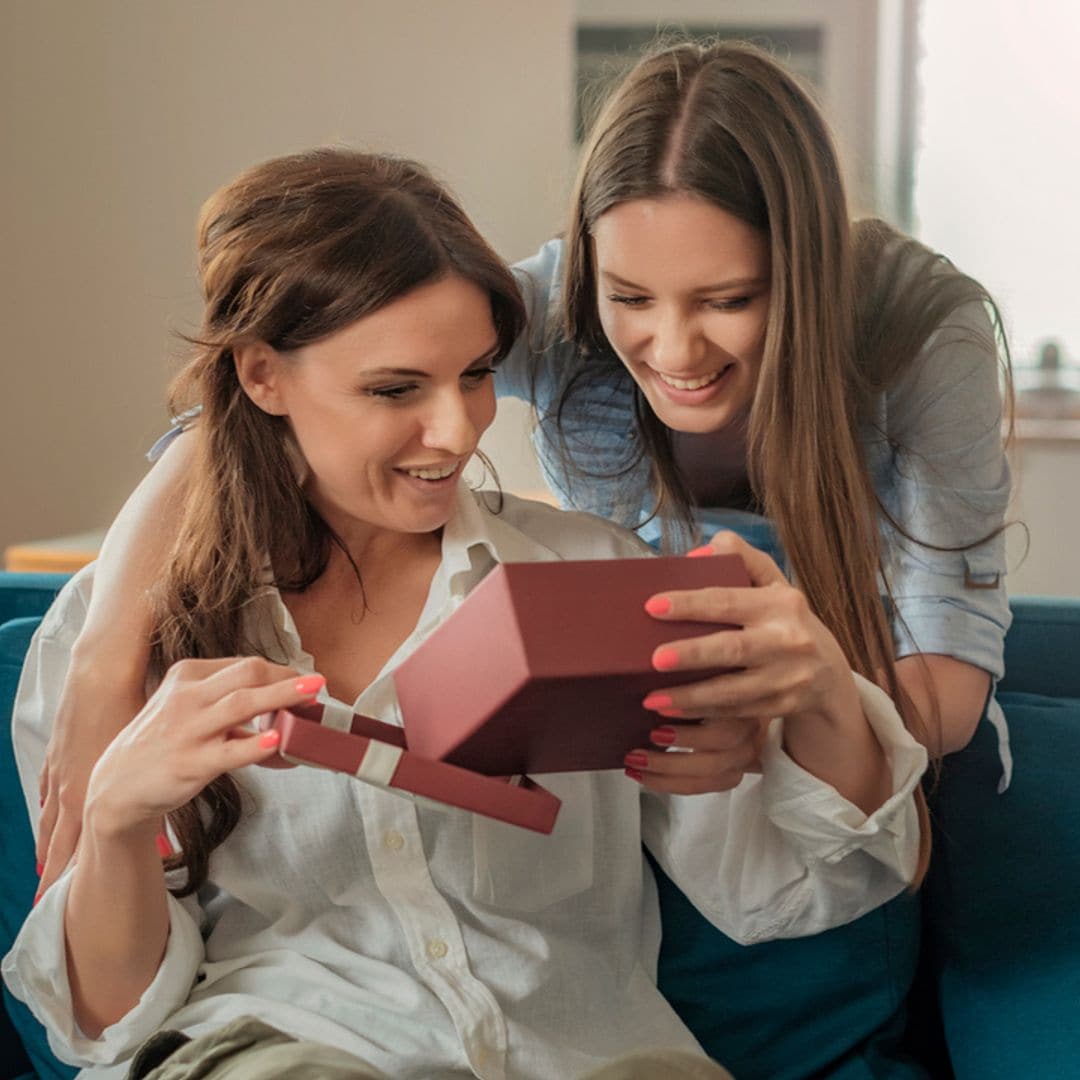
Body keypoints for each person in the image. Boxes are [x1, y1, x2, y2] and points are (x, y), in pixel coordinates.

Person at [29, 36, 1009, 1075]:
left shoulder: (595, 583)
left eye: (480, 375)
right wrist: (115, 799)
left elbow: (791, 886)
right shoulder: (128, 637)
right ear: (264, 377)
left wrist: (804, 702)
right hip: (287, 1048)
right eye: (396, 391)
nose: (457, 432)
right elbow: (99, 1023)